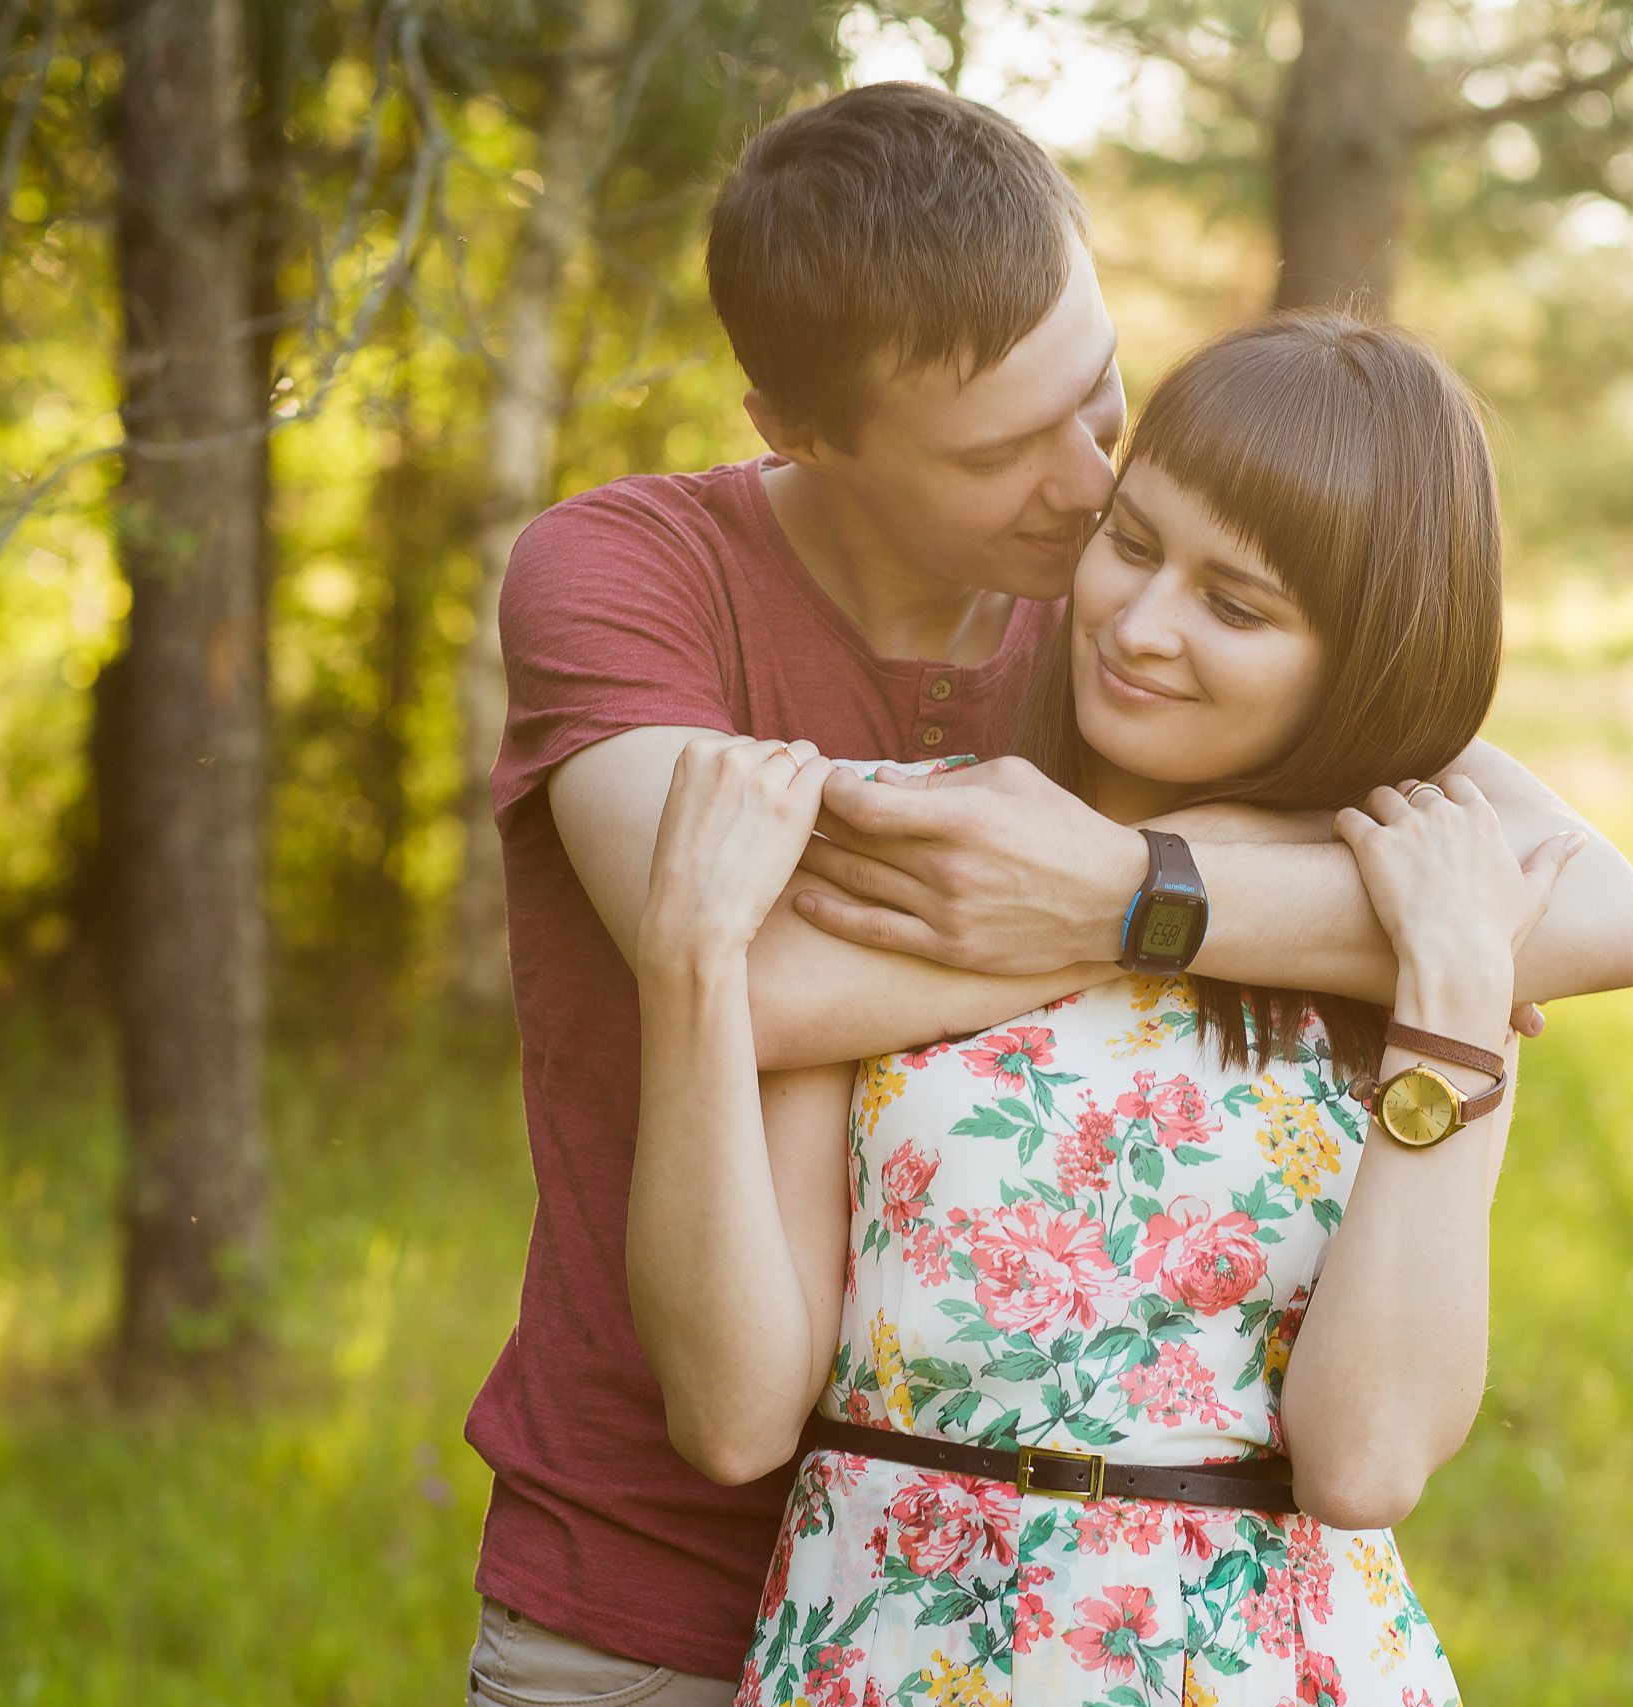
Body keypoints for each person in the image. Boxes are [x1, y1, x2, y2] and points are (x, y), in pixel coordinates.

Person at [465, 83, 1633, 1706]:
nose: (1090, 478)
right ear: (802, 435)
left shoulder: (1121, 632)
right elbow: (773, 980)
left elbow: (1591, 911)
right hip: (677, 1575)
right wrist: (1246, 911)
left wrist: (1125, 891)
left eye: (1100, 397)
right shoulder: (635, 579)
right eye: (1002, 448)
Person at [630, 311, 1539, 1706]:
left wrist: (1457, 1004)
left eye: (1236, 606)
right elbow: (733, 1415)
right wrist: (688, 964)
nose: (1141, 623)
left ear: (1361, 656)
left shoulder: (1410, 943)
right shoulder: (912, 848)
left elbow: (1363, 1461)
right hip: (891, 1655)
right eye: (1131, 541)